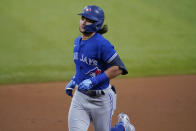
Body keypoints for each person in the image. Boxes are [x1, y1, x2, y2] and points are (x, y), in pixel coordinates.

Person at [65, 5, 135, 131]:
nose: (83, 22)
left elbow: (118, 68)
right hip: (80, 98)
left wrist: (93, 81)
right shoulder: (78, 41)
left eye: (88, 20)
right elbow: (83, 67)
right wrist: (74, 80)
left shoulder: (102, 44)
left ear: (97, 24)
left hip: (101, 100)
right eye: (82, 18)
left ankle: (123, 127)